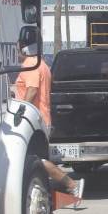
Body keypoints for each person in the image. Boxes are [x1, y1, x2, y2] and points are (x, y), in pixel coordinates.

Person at [14, 49, 84, 199]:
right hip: (41, 118)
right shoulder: (42, 64)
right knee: (37, 160)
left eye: (17, 48)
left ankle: (72, 185)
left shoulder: (31, 65)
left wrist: (20, 115)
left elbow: (32, 90)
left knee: (38, 160)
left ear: (24, 50)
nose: (16, 52)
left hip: (31, 121)